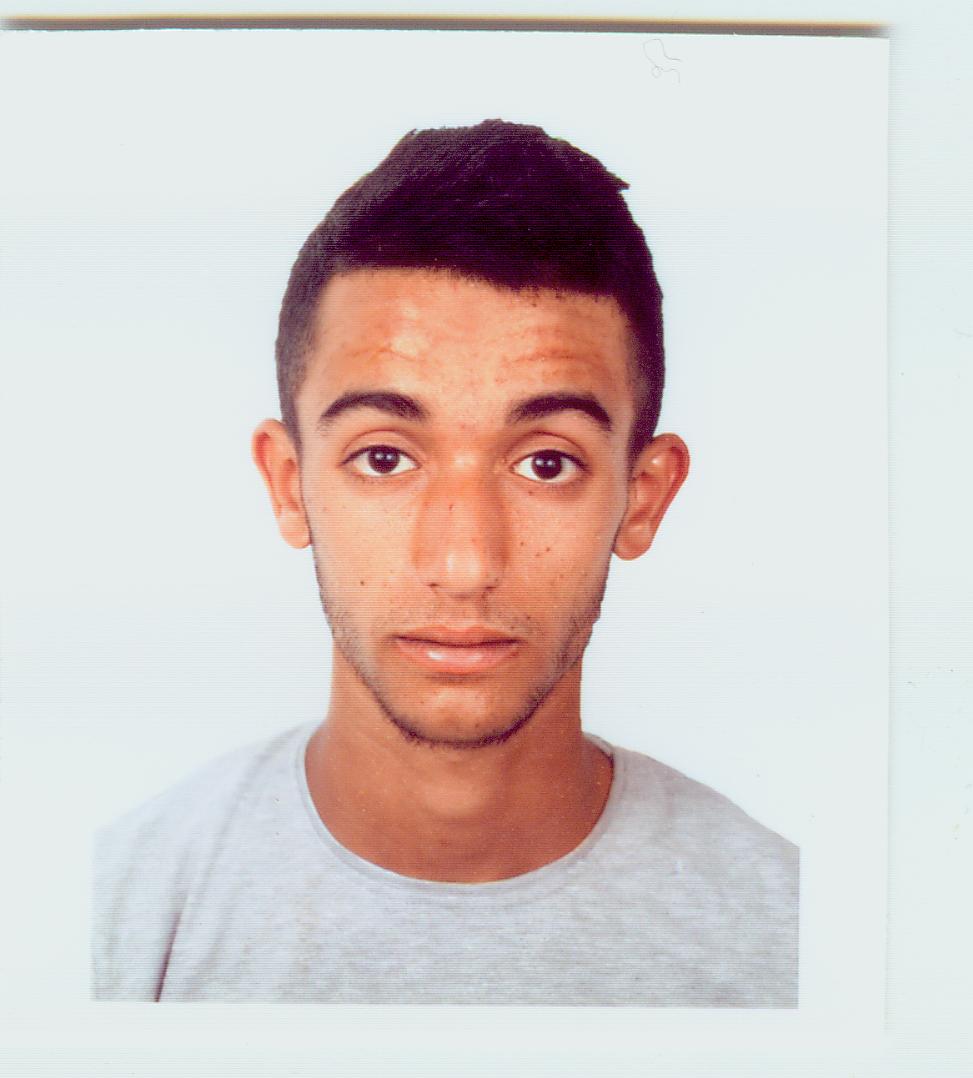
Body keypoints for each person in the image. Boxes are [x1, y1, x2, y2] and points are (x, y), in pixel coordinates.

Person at [93, 119, 798, 1005]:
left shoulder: (795, 943)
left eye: (546, 464)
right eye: (385, 457)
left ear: (643, 496)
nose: (464, 563)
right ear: (288, 483)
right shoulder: (112, 918)